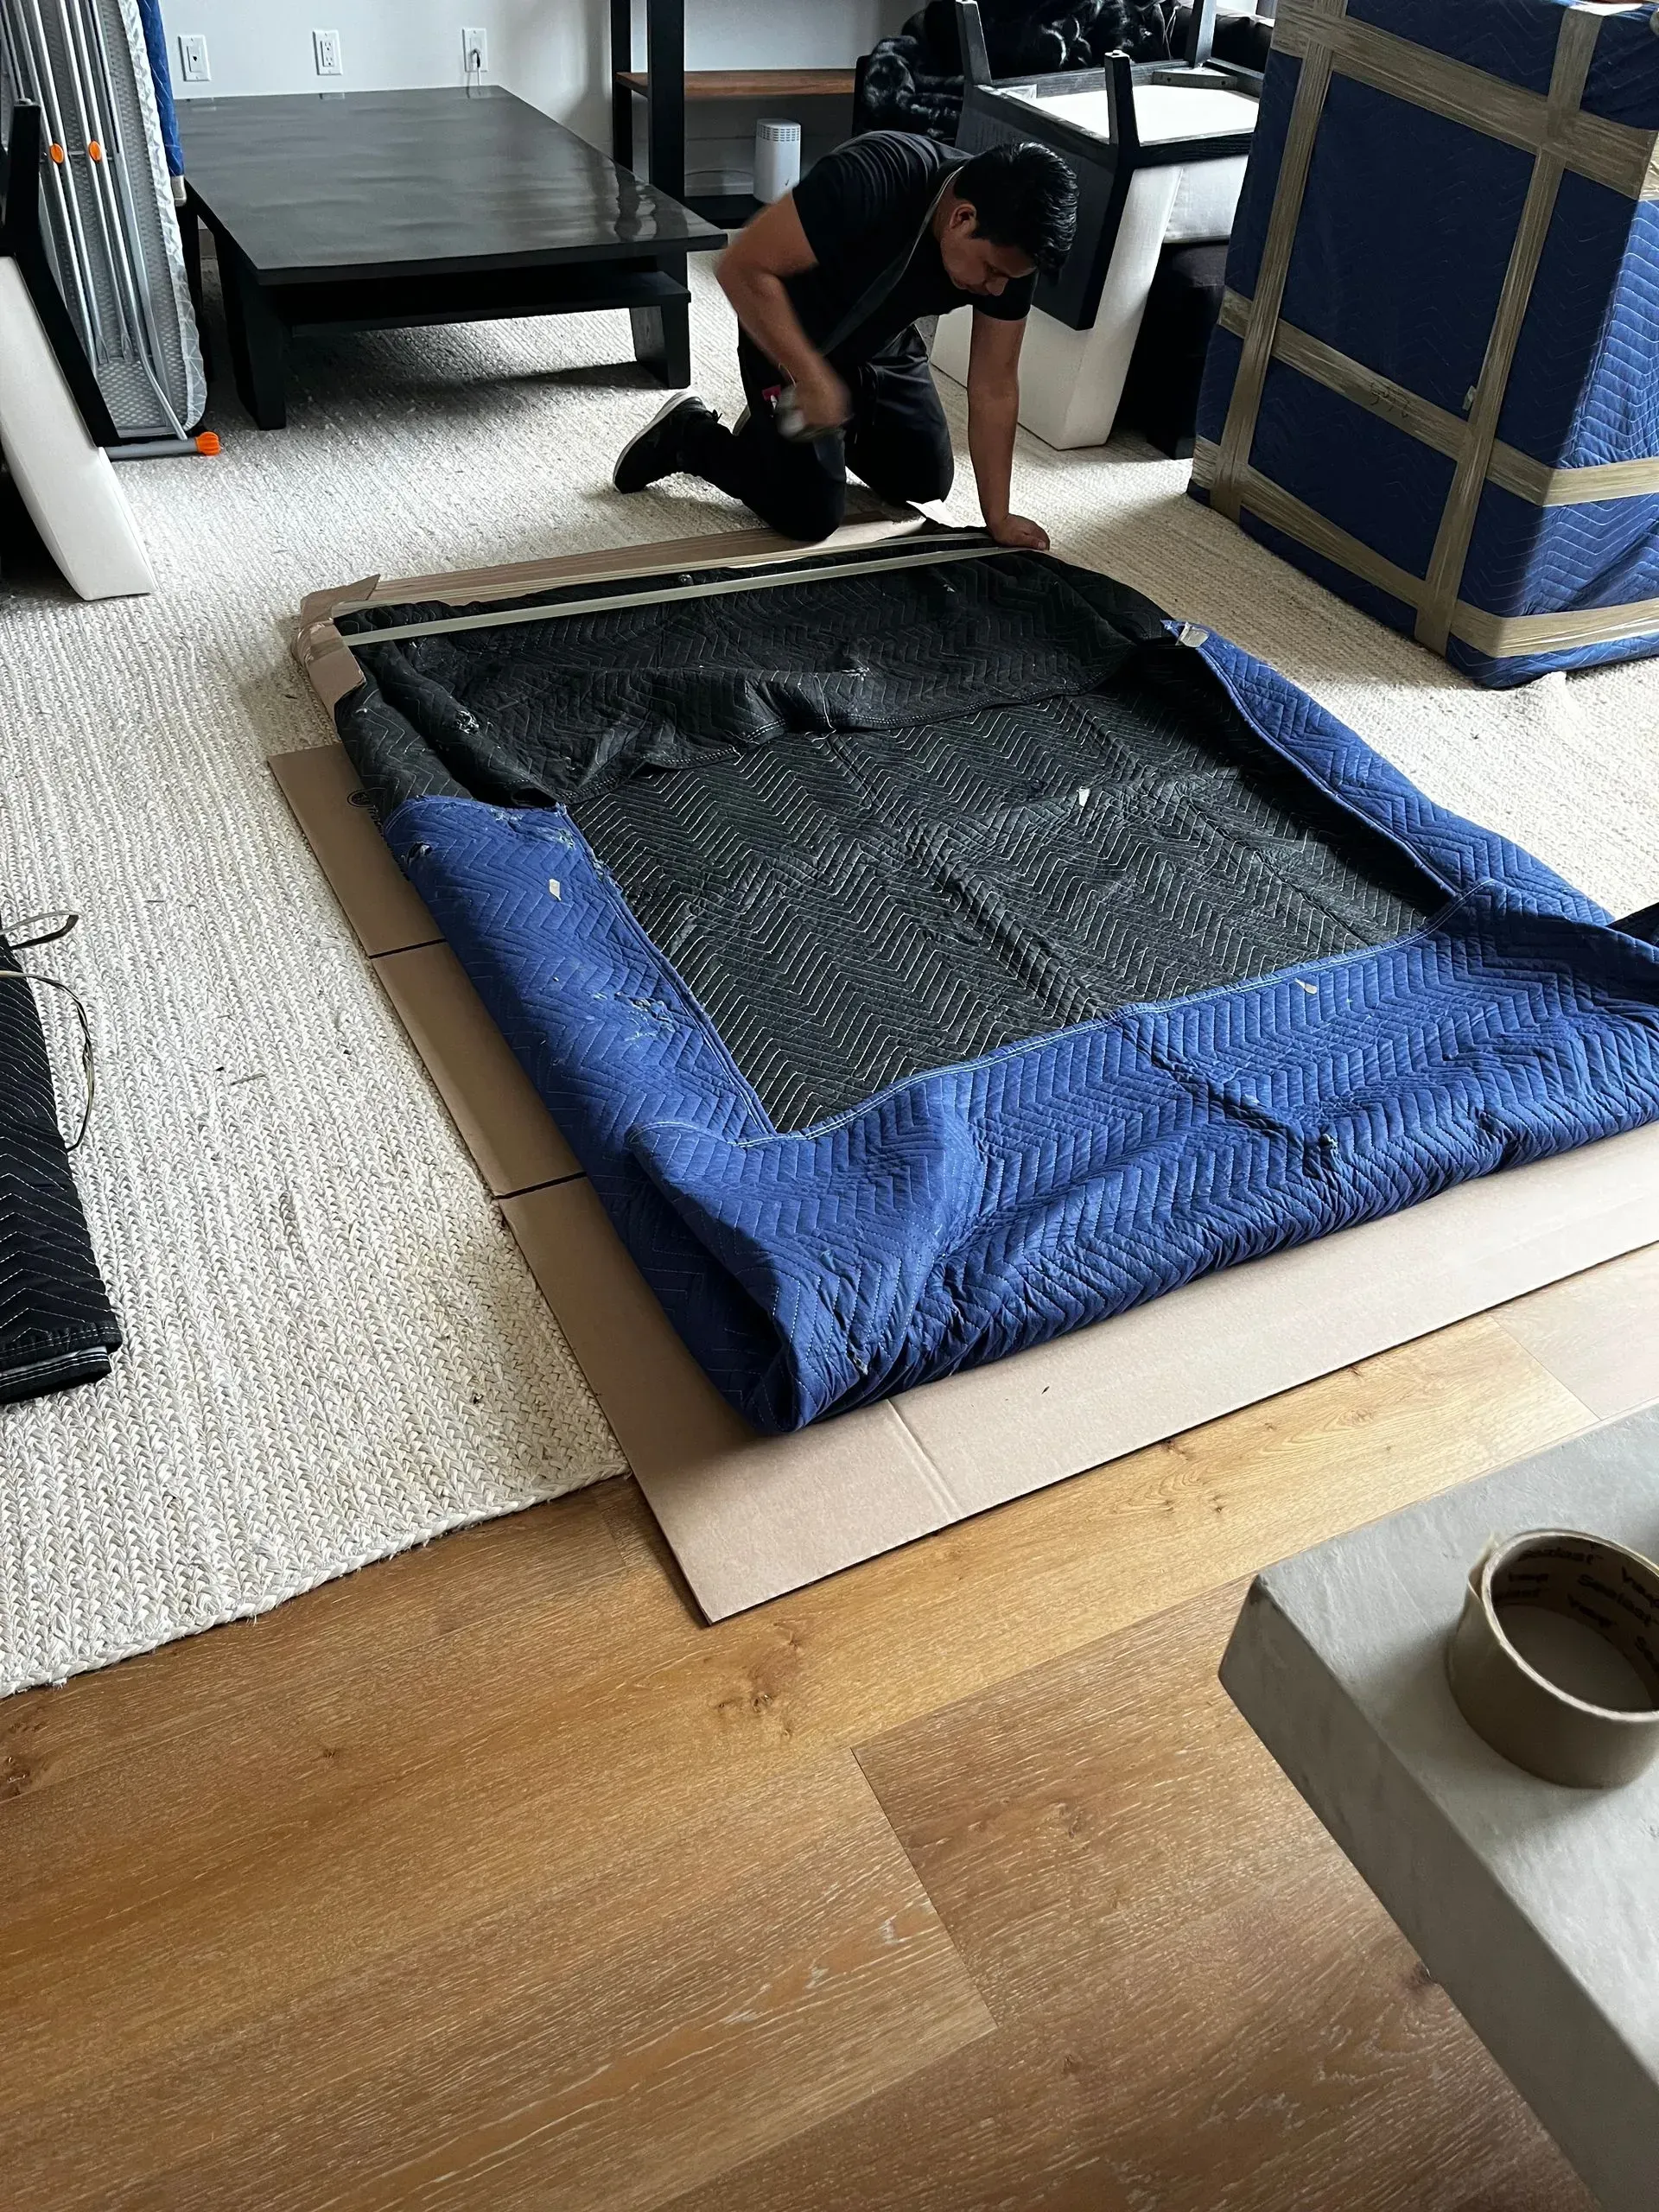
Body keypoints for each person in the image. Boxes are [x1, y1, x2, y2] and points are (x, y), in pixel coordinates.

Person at [611, 132, 1077, 549]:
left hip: (881, 346)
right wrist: (811, 376)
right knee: (810, 515)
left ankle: (796, 433)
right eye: (993, 272)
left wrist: (997, 516)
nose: (999, 289)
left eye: (1010, 278)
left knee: (923, 478)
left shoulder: (1014, 252)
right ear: (962, 217)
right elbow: (740, 267)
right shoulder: (871, 175)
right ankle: (689, 437)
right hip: (787, 335)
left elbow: (995, 384)